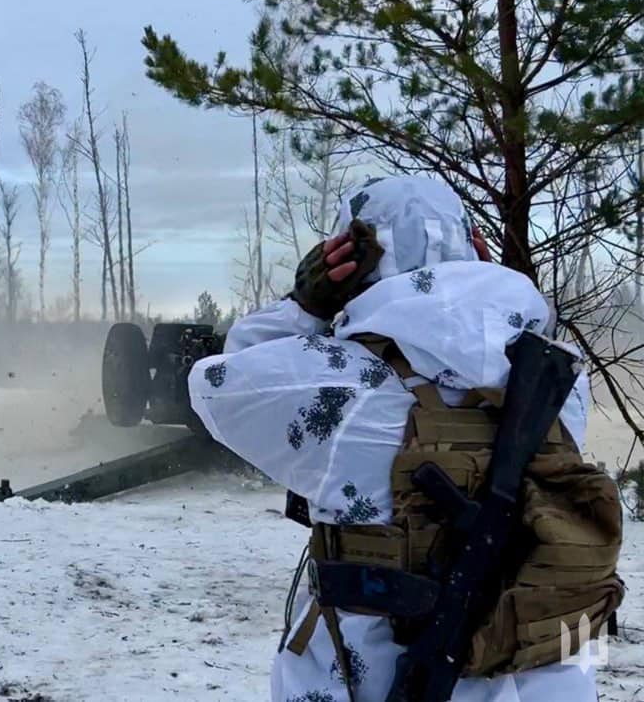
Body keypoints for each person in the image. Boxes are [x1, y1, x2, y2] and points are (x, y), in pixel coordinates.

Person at [188, 176, 622, 702]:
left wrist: (305, 307)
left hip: (379, 675)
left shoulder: (338, 383)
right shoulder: (561, 381)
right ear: (473, 251)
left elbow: (216, 384)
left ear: (349, 259)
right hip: (546, 675)